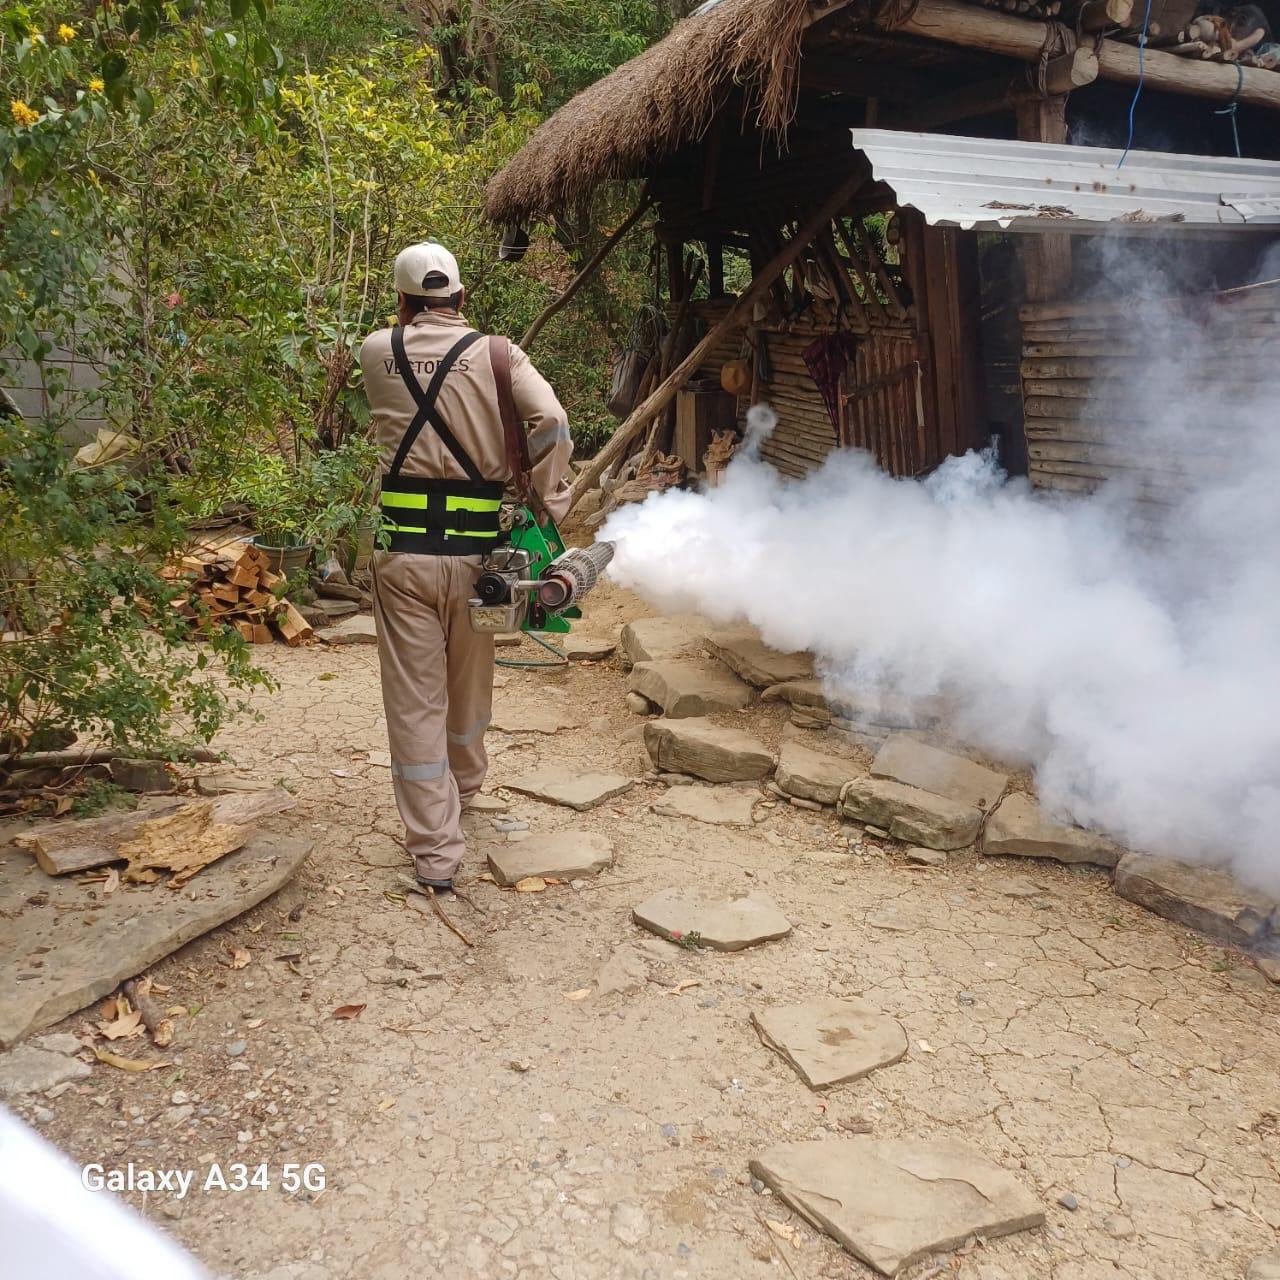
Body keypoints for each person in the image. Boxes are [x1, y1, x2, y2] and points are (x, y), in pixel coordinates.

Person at [360, 242, 573, 893]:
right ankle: (468, 786)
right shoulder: (498, 355)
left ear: (401, 300)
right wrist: (545, 497)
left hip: (402, 558)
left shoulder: (375, 352)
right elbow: (552, 421)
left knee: (414, 699)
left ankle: (435, 854)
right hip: (480, 557)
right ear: (461, 296)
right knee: (470, 682)